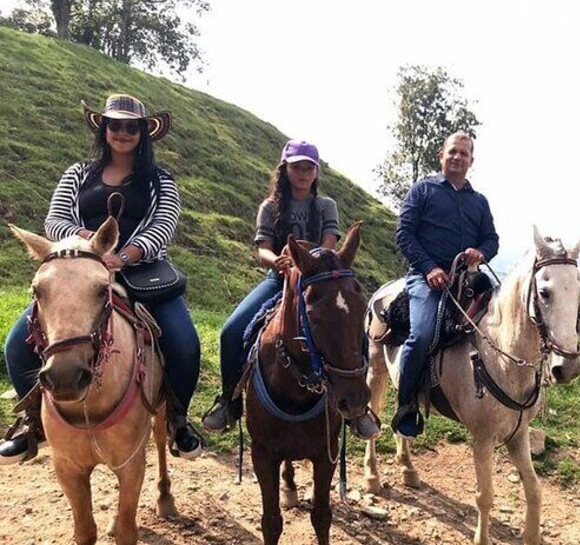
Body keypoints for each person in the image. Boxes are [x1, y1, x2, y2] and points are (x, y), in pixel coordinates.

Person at [0, 94, 203, 463]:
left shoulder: (161, 180)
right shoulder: (78, 173)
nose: (122, 132)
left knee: (184, 342)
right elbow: (56, 220)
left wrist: (122, 256)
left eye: (131, 127)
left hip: (142, 270)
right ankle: (36, 422)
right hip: (79, 266)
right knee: (17, 343)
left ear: (143, 133)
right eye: (115, 125)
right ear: (104, 129)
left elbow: (163, 225)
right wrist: (89, 248)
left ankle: (177, 418)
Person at [201, 140, 380, 439]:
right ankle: (229, 401)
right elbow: (263, 251)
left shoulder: (326, 206)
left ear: (316, 172)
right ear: (285, 169)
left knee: (353, 334)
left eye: (309, 167)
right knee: (231, 332)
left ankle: (357, 410)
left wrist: (307, 266)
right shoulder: (270, 208)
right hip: (279, 280)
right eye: (297, 166)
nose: (303, 172)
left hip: (319, 283)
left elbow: (329, 247)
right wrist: (280, 262)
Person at [393, 131, 499, 438]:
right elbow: (404, 234)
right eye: (452, 152)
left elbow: (491, 238)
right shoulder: (422, 190)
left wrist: (482, 253)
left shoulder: (479, 201)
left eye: (464, 154)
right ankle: (406, 406)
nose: (457, 157)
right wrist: (429, 269)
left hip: (467, 278)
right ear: (442, 155)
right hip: (426, 279)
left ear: (471, 161)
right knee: (422, 334)